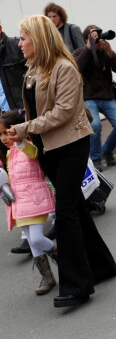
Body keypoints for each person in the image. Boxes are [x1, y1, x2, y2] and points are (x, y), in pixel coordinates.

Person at [7, 14, 116, 308]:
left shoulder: (64, 68)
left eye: (24, 38)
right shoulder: (32, 70)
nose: (20, 44)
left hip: (71, 145)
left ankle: (77, 285)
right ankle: (103, 266)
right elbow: (33, 111)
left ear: (39, 40)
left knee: (65, 212)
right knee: (77, 208)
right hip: (47, 148)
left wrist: (25, 129)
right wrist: (20, 129)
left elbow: (64, 112)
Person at [1, 110, 58, 295]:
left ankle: (61, 254)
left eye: (6, 132)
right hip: (19, 202)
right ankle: (47, 277)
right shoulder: (9, 154)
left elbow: (34, 155)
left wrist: (21, 141)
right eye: (0, 134)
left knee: (36, 238)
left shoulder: (28, 146)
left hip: (34, 198)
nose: (3, 138)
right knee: (32, 242)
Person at [1, 20, 35, 255]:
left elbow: (31, 78)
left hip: (18, 116)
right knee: (10, 176)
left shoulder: (16, 48)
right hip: (0, 125)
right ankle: (27, 232)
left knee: (33, 166)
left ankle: (54, 211)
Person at [74, 25, 116, 171]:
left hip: (108, 96)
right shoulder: (79, 52)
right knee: (95, 125)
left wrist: (109, 51)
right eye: (95, 38)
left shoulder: (104, 52)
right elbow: (77, 68)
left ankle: (107, 150)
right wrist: (89, 49)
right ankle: (95, 158)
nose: (98, 41)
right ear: (87, 39)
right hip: (89, 98)